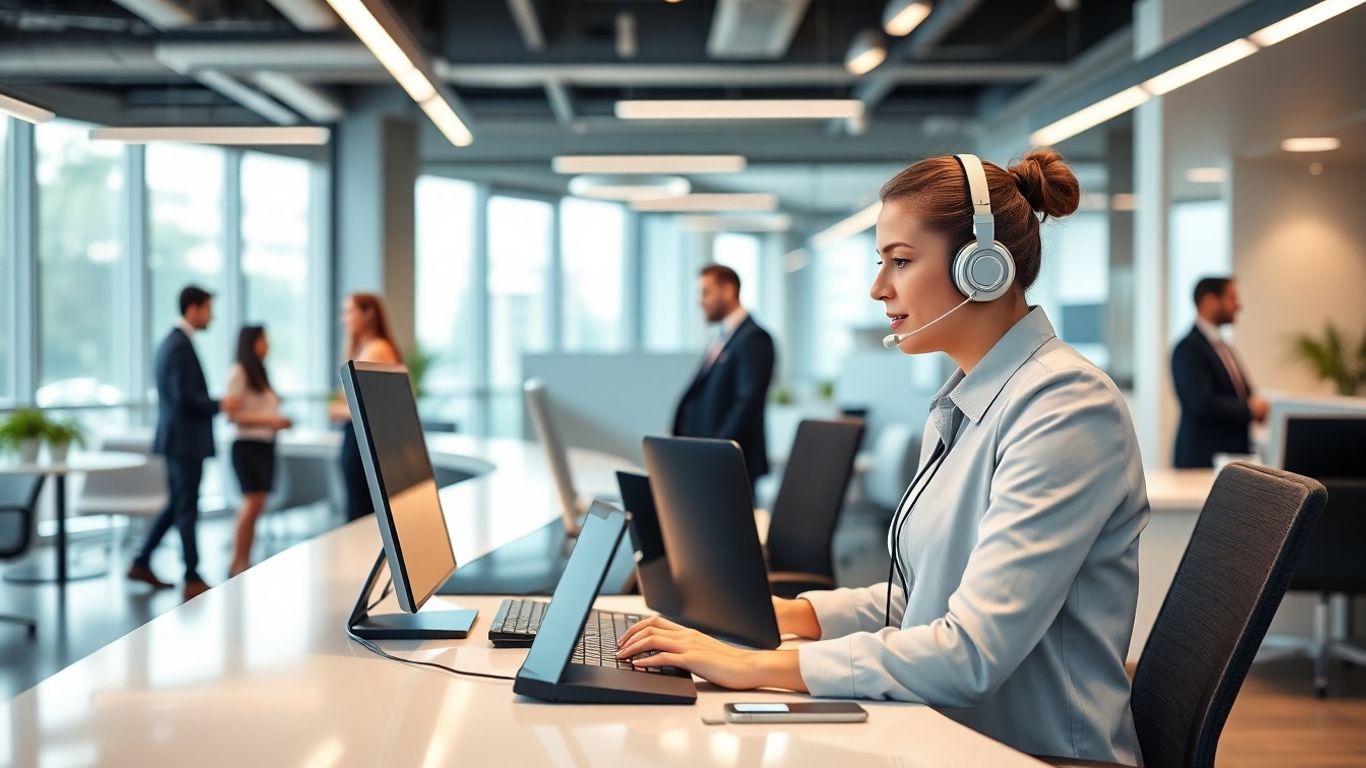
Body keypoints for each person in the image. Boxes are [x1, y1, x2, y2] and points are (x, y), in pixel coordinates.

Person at [616, 150, 1149, 766]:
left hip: (1034, 753)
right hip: (944, 735)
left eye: (901, 261)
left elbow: (968, 655)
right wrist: (786, 615)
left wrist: (757, 663)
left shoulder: (1065, 408)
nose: (879, 288)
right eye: (881, 262)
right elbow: (925, 598)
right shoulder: (963, 403)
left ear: (984, 268)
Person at [129, 286, 241, 601]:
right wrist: (220, 405)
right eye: (208, 308)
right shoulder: (178, 346)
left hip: (180, 440)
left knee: (178, 504)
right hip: (184, 441)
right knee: (187, 507)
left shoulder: (175, 343)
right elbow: (185, 399)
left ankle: (140, 561)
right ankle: (191, 575)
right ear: (193, 308)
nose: (212, 315)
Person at [671, 264, 776, 488]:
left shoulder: (754, 338)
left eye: (706, 292)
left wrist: (717, 449)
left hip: (729, 463)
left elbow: (747, 403)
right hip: (708, 459)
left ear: (728, 290)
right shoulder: (723, 337)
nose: (700, 301)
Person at [1171, 276, 1267, 468]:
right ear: (1209, 301)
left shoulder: (1223, 347)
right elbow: (1202, 404)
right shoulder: (1188, 348)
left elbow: (1241, 392)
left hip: (1232, 459)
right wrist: (1249, 409)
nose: (1239, 305)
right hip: (1203, 460)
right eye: (1232, 298)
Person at [225, 326, 293, 577]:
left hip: (265, 445)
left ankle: (244, 560)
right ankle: (236, 562)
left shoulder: (260, 373)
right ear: (252, 342)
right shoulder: (238, 372)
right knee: (251, 504)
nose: (268, 344)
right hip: (247, 446)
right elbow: (232, 415)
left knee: (257, 505)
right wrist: (272, 421)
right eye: (264, 339)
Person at [328, 293, 401, 522]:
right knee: (360, 510)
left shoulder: (377, 349)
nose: (344, 319)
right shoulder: (369, 349)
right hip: (359, 440)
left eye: (349, 311)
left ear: (368, 313)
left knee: (361, 513)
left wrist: (339, 410)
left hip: (363, 443)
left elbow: (372, 407)